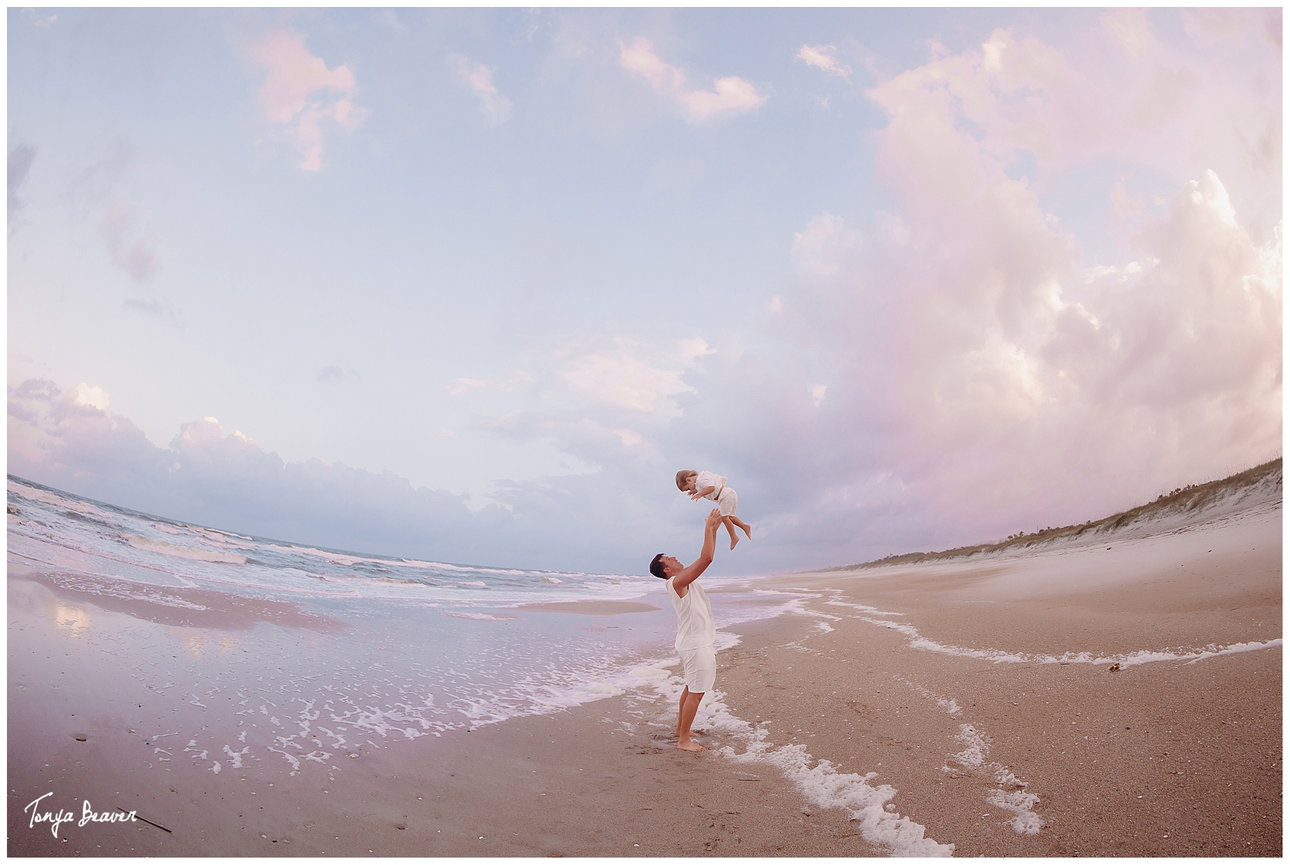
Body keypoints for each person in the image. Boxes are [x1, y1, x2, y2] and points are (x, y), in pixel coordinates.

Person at [649, 507, 724, 752]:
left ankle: (682, 729)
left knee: (691, 687)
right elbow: (706, 559)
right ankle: (683, 740)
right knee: (697, 691)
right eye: (669, 559)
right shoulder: (676, 582)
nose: (674, 557)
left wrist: (713, 529)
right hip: (694, 643)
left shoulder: (681, 580)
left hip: (693, 641)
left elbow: (705, 558)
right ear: (666, 570)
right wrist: (707, 529)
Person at [676, 469, 752, 550]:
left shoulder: (701, 480)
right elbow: (702, 487)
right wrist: (695, 491)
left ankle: (734, 537)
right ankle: (745, 527)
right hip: (728, 496)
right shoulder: (700, 482)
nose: (690, 490)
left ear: (688, 480)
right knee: (730, 517)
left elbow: (711, 488)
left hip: (725, 497)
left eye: (688, 488)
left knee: (724, 518)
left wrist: (700, 494)